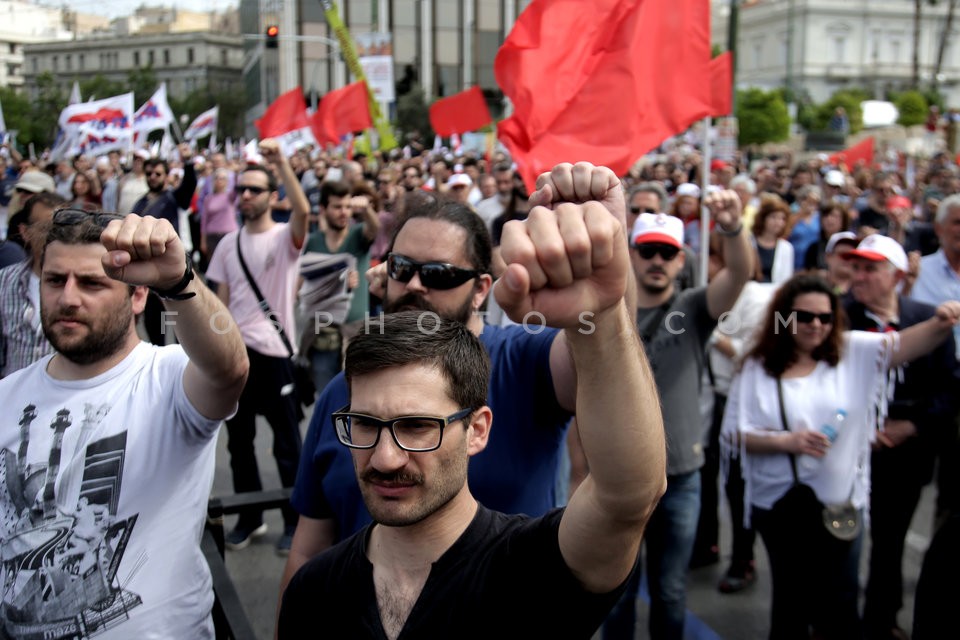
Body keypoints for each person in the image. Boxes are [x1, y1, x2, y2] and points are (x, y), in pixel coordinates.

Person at [278, 174, 667, 636]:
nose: (415, 285)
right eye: (401, 267)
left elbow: (626, 485)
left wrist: (597, 312)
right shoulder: (342, 391)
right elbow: (309, 541)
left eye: (420, 426)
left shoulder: (524, 360)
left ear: (478, 428)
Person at [0, 209, 249, 639]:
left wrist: (178, 280)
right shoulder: (7, 396)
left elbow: (230, 368)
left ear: (137, 297)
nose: (68, 298)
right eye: (55, 280)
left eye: (92, 282)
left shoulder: (169, 376)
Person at [722, 273, 960, 639]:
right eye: (804, 316)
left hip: (839, 508)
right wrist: (788, 442)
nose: (815, 325)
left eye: (825, 317)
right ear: (784, 317)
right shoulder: (756, 366)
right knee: (790, 603)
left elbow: (910, 343)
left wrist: (941, 320)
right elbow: (735, 433)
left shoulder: (853, 353)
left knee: (839, 604)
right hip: (779, 505)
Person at [605, 191, 752, 640]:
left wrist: (731, 227)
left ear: (680, 258)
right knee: (617, 592)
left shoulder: (694, 308)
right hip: (619, 475)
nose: (656, 260)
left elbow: (742, 272)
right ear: (631, 253)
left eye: (666, 252)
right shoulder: (608, 310)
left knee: (669, 591)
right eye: (646, 249)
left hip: (682, 476)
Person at [840, 234, 960, 640]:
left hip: (906, 450)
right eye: (855, 267)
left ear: (897, 276)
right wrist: (858, 427)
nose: (859, 276)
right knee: (840, 539)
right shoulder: (834, 316)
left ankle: (881, 618)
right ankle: (833, 619)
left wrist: (912, 426)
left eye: (870, 269)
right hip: (847, 451)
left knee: (890, 541)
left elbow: (950, 388)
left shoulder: (929, 318)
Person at [205, 139, 310, 555]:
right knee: (239, 443)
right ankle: (250, 519)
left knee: (288, 445)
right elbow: (220, 304)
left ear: (272, 196)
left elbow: (302, 212)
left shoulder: (286, 237)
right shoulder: (228, 244)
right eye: (241, 189)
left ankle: (293, 521)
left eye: (254, 189)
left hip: (276, 356)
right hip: (238, 357)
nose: (245, 195)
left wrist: (282, 164)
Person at [910, 193, 960, 531]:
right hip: (927, 393)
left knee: (955, 494)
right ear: (939, 228)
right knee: (908, 487)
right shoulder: (917, 273)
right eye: (957, 222)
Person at [301, 180, 379, 392]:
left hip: (355, 330)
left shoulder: (357, 234)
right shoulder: (314, 241)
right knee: (326, 397)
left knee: (355, 397)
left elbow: (375, 228)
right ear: (324, 209)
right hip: (323, 331)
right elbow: (305, 283)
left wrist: (366, 209)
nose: (344, 213)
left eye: (347, 207)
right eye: (337, 207)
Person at [0, 192, 67, 378]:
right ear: (25, 232)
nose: (55, 236)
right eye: (46, 228)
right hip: (12, 398)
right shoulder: (5, 280)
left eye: (63, 228)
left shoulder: (85, 284)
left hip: (65, 399)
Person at [750, 194, 794, 284]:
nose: (778, 222)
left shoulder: (786, 248)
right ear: (763, 219)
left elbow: (786, 279)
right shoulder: (749, 242)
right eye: (773, 217)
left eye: (782, 219)